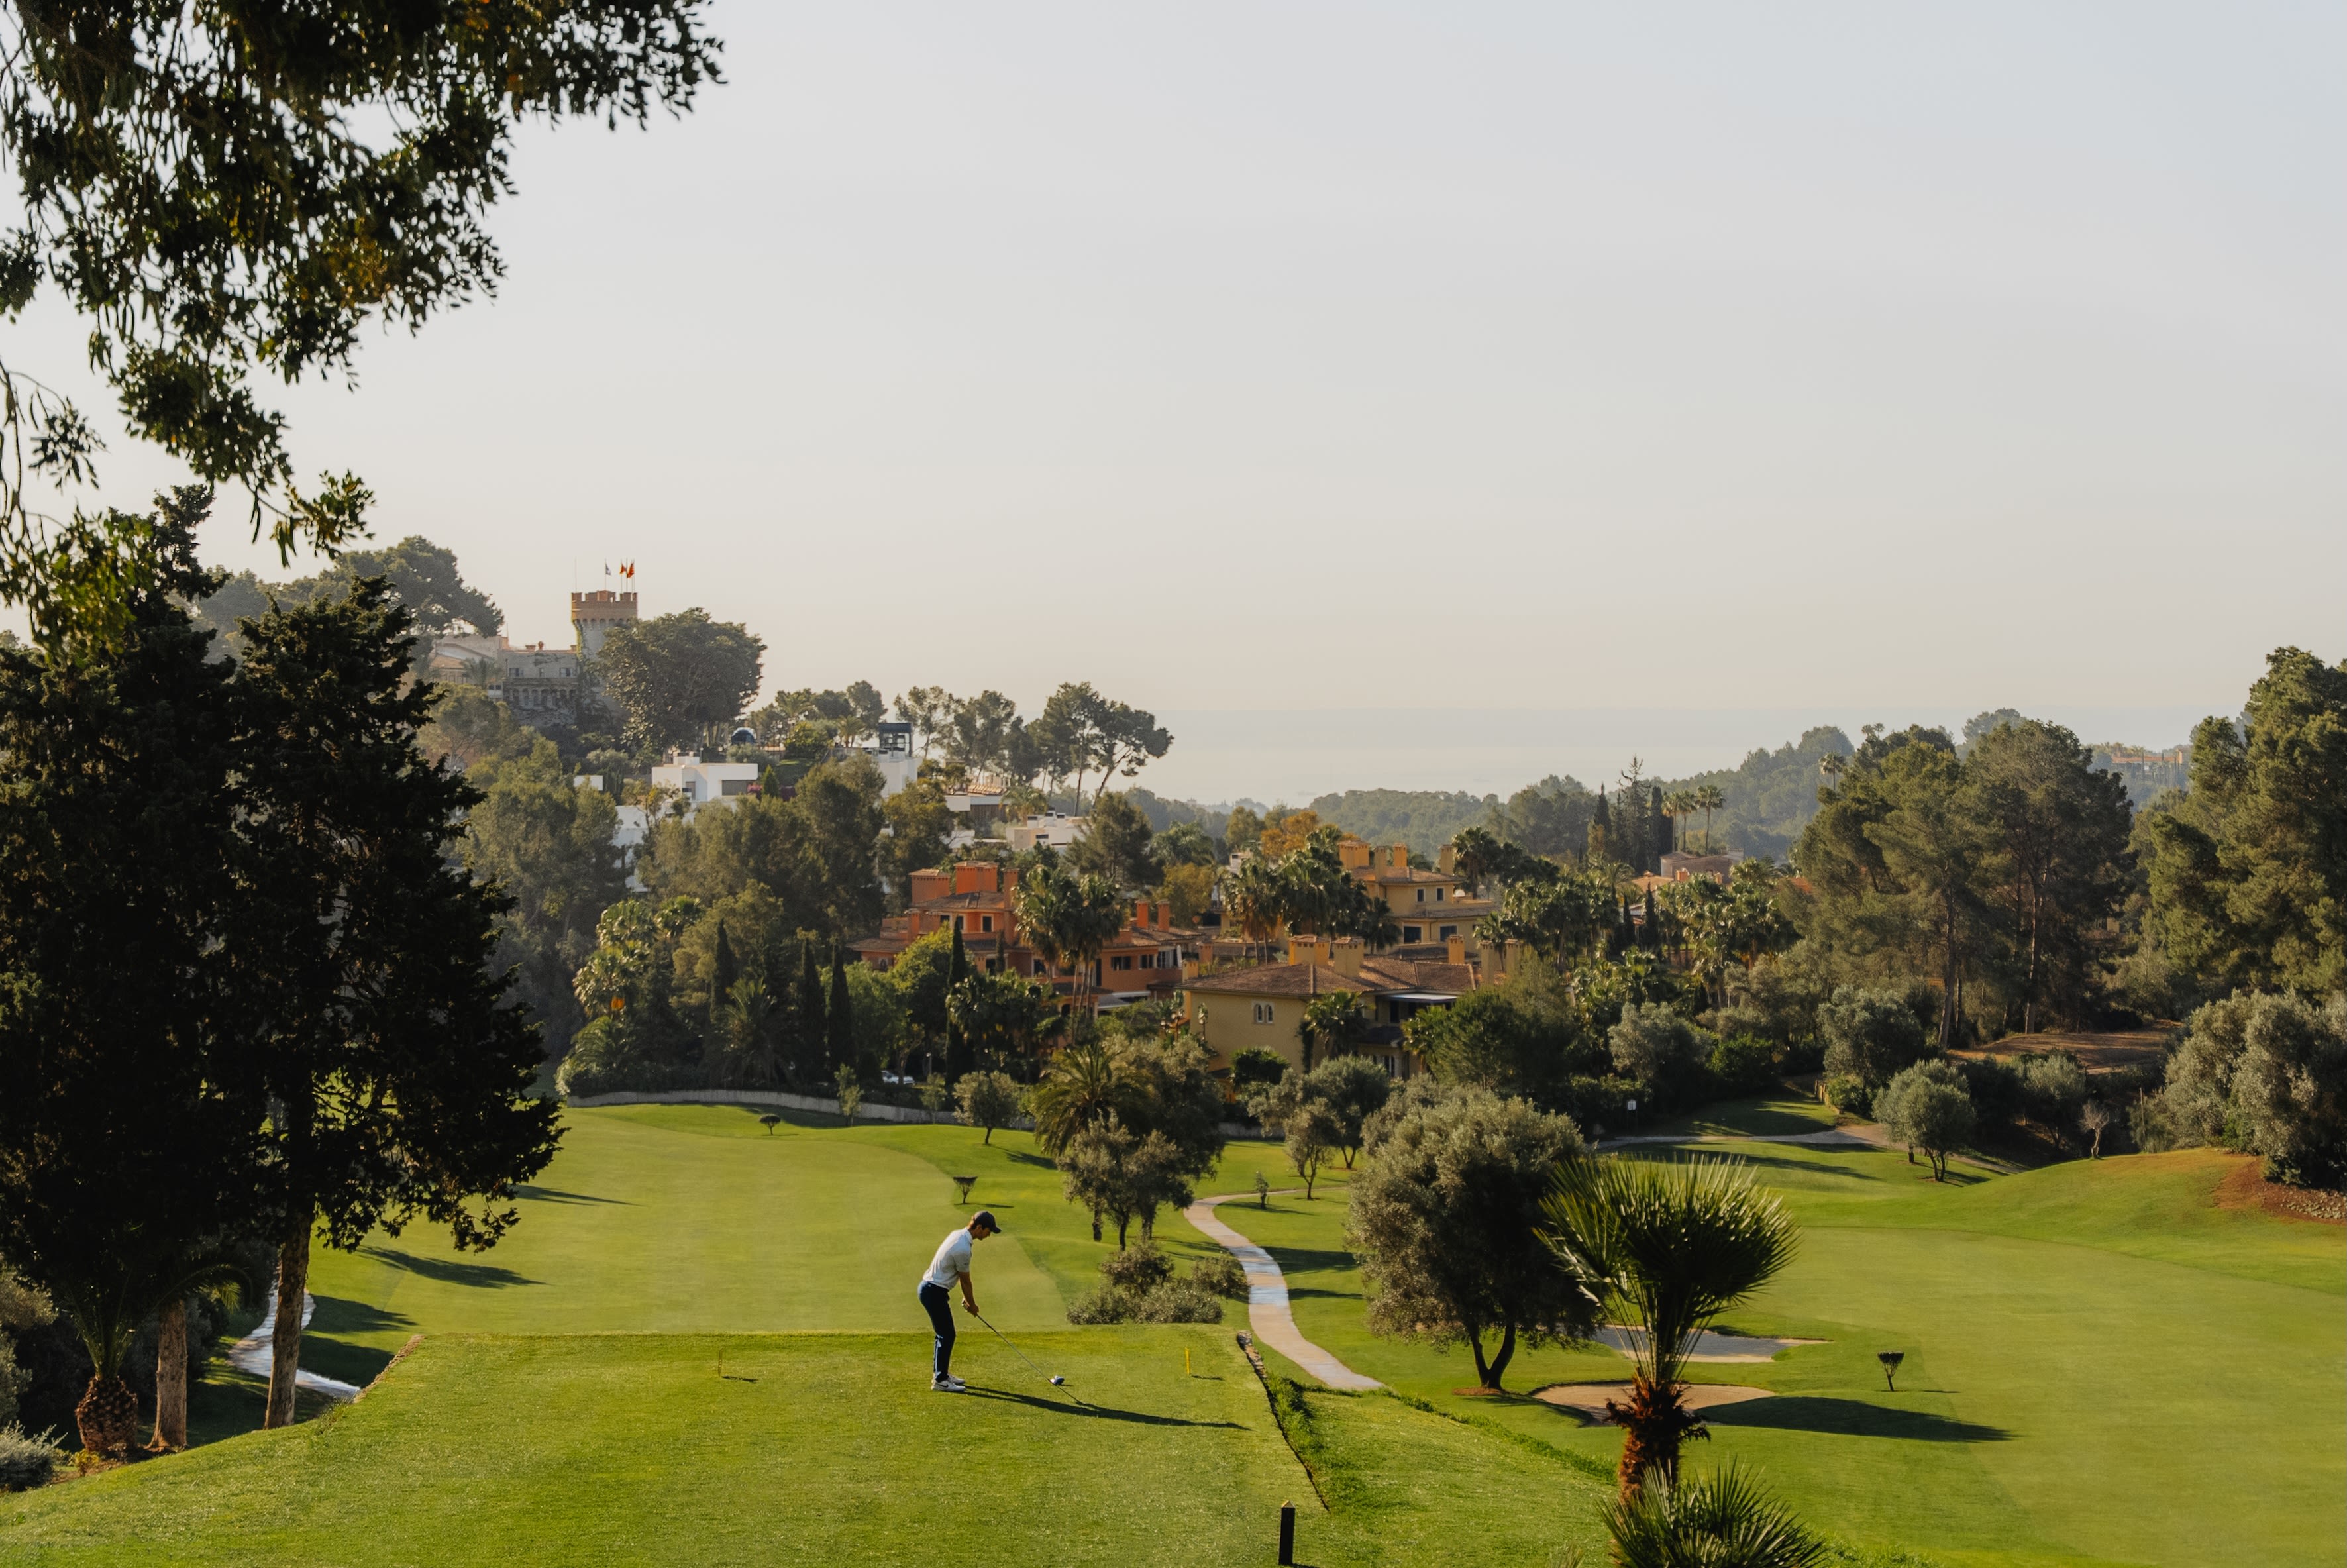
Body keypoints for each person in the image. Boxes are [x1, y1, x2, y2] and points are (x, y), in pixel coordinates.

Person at [918, 1210, 998, 1391]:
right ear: (979, 1227)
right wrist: (972, 1305)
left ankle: (942, 1374)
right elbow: (966, 1281)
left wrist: (967, 1300)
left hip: (931, 1289)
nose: (989, 1234)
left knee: (944, 1333)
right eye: (989, 1230)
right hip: (933, 1292)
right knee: (947, 1334)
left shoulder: (958, 1235)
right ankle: (940, 1380)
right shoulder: (963, 1248)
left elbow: (957, 1275)